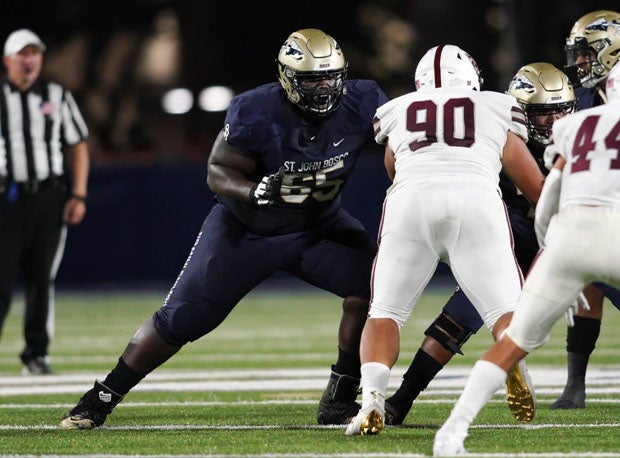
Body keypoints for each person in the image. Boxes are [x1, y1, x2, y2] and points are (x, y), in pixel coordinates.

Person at [59, 28, 388, 429]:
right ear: (287, 78)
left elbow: (400, 142)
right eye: (310, 79)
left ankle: (339, 398)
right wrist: (255, 191)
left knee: (376, 289)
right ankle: (100, 398)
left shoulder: (364, 100)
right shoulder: (256, 109)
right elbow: (217, 169)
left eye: (330, 77)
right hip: (247, 231)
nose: (322, 88)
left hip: (319, 226)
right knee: (179, 321)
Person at [345, 44, 544, 437]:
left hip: (411, 203)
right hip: (475, 201)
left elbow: (393, 167)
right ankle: (512, 362)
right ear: (470, 79)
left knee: (385, 312)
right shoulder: (493, 105)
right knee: (506, 309)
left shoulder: (398, 109)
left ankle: (371, 401)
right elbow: (532, 184)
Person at [433, 60, 620, 457]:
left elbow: (550, 194)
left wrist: (549, 252)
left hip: (566, 241)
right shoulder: (570, 119)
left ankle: (452, 430)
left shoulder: (574, 127)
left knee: (513, 342)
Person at [383, 62, 577, 425]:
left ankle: (398, 399)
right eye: (540, 114)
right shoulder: (498, 134)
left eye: (559, 112)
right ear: (520, 113)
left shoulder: (585, 140)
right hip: (518, 238)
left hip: (568, 239)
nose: (552, 123)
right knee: (461, 314)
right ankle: (402, 397)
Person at [0, 29, 90, 375]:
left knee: (41, 279)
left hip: (48, 197)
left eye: (34, 53)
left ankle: (36, 354)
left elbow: (78, 146)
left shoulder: (56, 95)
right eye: (22, 54)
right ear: (8, 60)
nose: (29, 59)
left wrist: (78, 193)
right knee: (1, 281)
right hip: (5, 198)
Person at [551, 9, 620, 410]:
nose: (578, 63)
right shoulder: (582, 101)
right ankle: (575, 384)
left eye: (585, 53)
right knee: (585, 276)